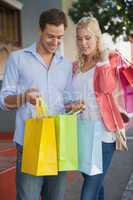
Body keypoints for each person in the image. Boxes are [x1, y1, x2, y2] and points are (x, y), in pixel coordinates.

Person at [0, 8, 73, 200]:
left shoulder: (66, 65)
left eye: (60, 37)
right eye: (50, 36)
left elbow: (67, 101)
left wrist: (73, 106)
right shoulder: (18, 59)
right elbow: (4, 100)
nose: (55, 42)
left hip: (59, 143)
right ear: (40, 30)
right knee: (28, 197)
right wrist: (24, 97)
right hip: (29, 142)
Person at [66, 16, 127, 200]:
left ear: (97, 38)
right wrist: (72, 105)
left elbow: (107, 88)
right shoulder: (75, 66)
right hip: (81, 133)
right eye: (79, 38)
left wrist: (102, 59)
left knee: (89, 191)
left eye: (88, 38)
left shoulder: (109, 60)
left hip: (103, 136)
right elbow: (68, 98)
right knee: (96, 185)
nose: (83, 43)